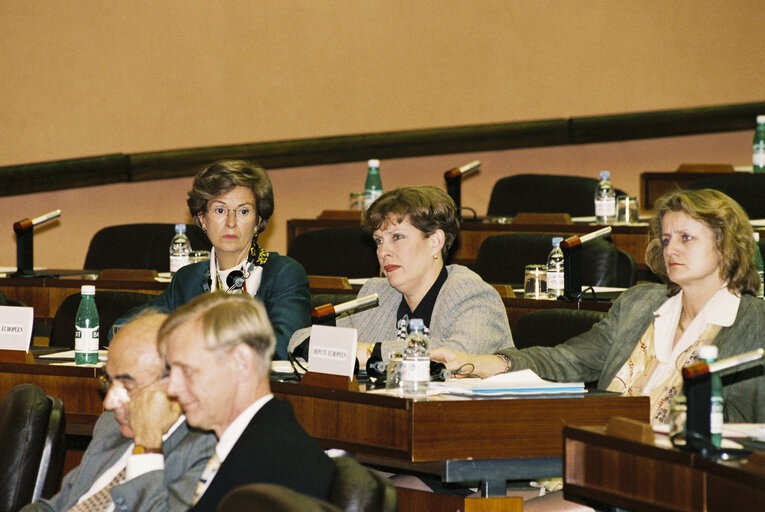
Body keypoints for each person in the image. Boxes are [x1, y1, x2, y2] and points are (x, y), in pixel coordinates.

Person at [433, 188, 765, 425]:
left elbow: (746, 421)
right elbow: (568, 359)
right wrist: (487, 362)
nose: (671, 250)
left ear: (726, 245)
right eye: (665, 240)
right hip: (605, 460)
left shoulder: (754, 323)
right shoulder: (640, 303)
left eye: (686, 238)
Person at [289, 185, 513, 366]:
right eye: (378, 240)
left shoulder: (472, 294)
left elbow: (454, 357)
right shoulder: (378, 294)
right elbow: (301, 340)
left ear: (435, 241)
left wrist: (370, 351)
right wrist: (352, 351)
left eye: (397, 237)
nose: (383, 251)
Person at [115, 160, 311, 360]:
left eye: (243, 211)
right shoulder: (188, 279)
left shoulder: (282, 273)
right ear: (202, 218)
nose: (231, 222)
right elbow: (123, 328)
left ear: (257, 222)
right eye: (220, 210)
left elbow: (285, 347)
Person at [24, 312, 216, 512]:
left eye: (127, 386)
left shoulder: (206, 450)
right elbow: (57, 507)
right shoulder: (111, 425)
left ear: (176, 385)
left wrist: (148, 447)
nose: (108, 403)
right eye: (109, 381)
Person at [160, 292, 334, 512]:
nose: (172, 387)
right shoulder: (259, 437)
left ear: (241, 362)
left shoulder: (268, 477)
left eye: (186, 370)